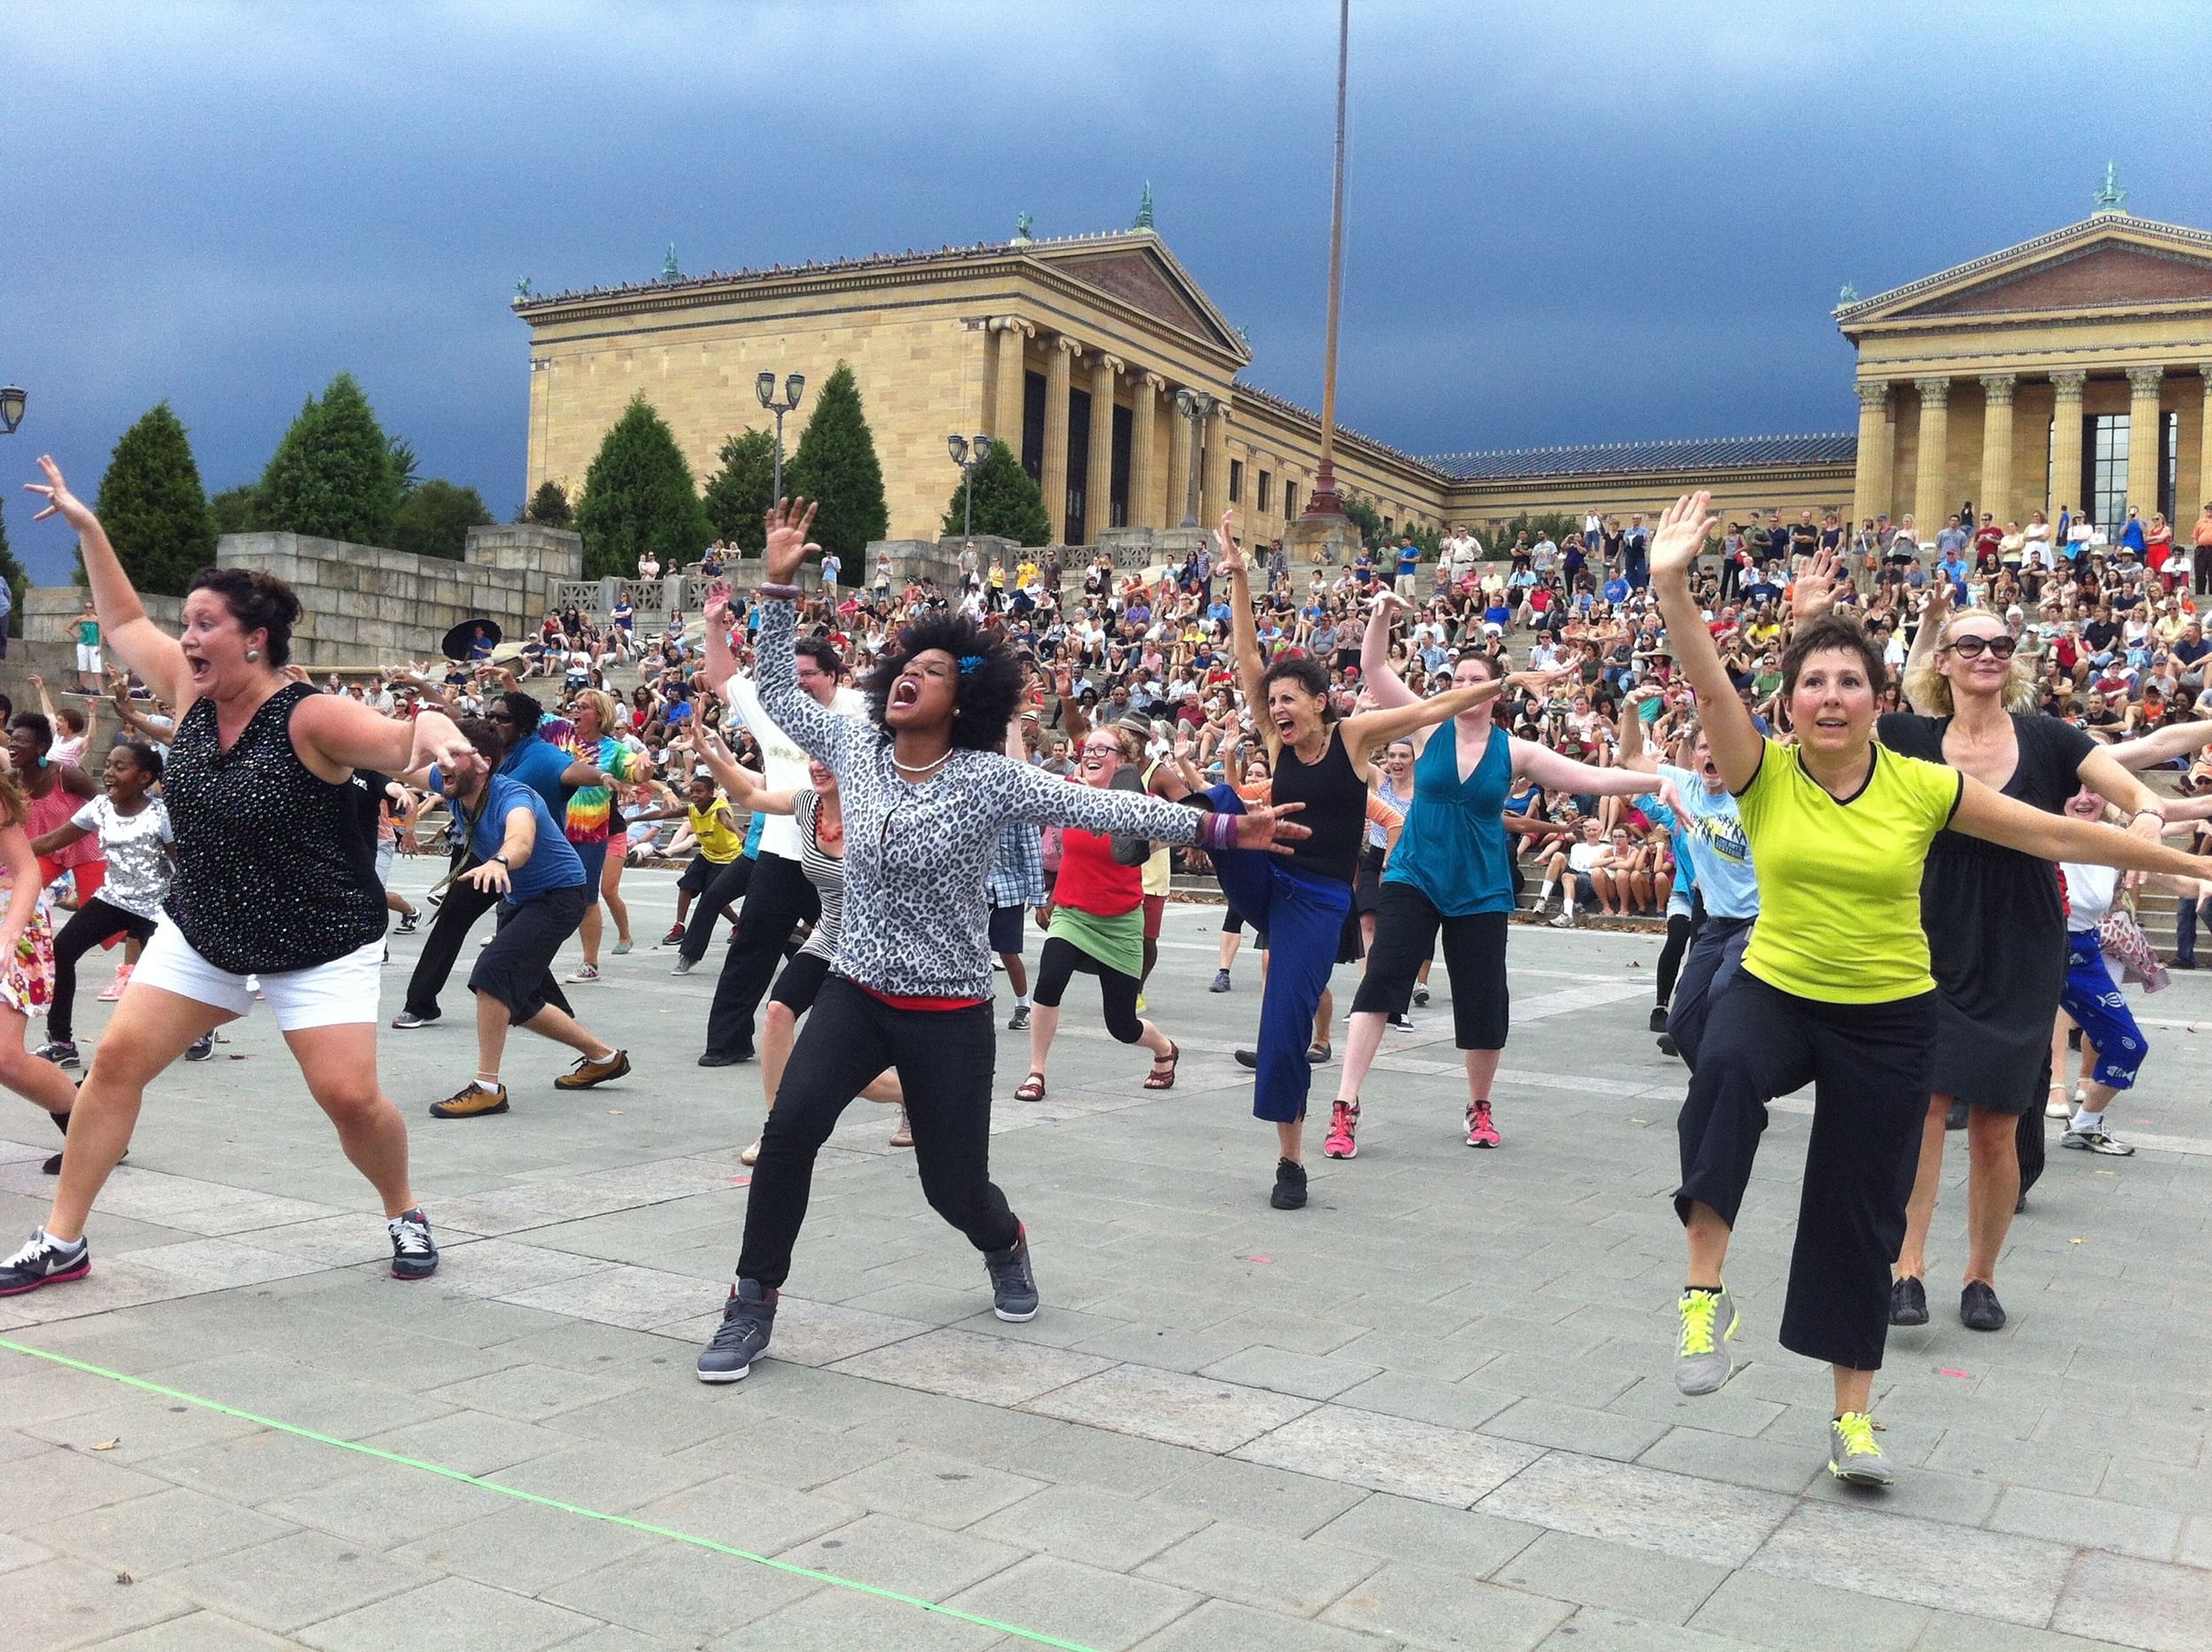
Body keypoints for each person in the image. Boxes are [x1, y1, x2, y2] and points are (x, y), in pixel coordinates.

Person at [1647, 492, 2212, 1491]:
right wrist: (1669, 583)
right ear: (1787, 705)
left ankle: (1851, 1422)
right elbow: (1704, 685)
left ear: (1877, 701)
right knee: (1724, 1064)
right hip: (1777, 987)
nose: (1829, 696)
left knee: (1860, 1207)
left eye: (1848, 682)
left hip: (1890, 1014)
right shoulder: (1758, 770)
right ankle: (1702, 1294)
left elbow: (2053, 833)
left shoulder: (1919, 783)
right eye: (1811, 682)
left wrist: (2191, 868)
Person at [693, 500, 1306, 1383]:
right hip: (856, 991)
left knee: (952, 1189)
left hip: (948, 1012)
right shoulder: (856, 747)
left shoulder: (986, 780)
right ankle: (752, 1299)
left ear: (964, 699)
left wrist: (1219, 830)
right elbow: (783, 693)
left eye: (934, 672)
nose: (908, 677)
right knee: (790, 1129)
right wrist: (779, 581)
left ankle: (1004, 1238)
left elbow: (1103, 805)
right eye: (907, 665)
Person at [2, 456, 474, 1298]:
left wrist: (437, 728)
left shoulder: (310, 714)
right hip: (207, 927)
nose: (185, 639)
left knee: (349, 1099)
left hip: (317, 937)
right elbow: (116, 617)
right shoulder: (189, 693)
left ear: (253, 638)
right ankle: (61, 1239)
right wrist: (89, 525)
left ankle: (403, 1206)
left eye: (203, 624)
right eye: (184, 623)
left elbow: (406, 737)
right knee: (112, 1064)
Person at [1863, 573, 2201, 1334]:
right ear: (1943, 661)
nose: (1988, 654)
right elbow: (1822, 729)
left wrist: (2146, 816)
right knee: (1922, 1110)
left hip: (2021, 944)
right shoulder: (1910, 736)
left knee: (1996, 1122)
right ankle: (1906, 1268)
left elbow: (2134, 788)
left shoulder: (2049, 737)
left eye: (2001, 645)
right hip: (1929, 938)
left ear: (2012, 661)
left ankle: (1980, 1277)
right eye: (1971, 643)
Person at [1204, 516, 1517, 1209]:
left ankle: (1290, 1162)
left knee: (1283, 1023)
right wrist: (1236, 575)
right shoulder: (1278, 742)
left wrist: (1504, 682)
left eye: (1289, 699)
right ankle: (1173, 822)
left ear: (1318, 702)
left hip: (1317, 901)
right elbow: (1248, 657)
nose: (1277, 707)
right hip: (1267, 874)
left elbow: (1435, 703)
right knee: (1218, 796)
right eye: (1272, 701)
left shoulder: (1352, 735)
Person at [1326, 593, 1647, 1158]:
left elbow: (1591, 782)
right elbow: (1375, 669)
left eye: (1478, 678)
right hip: (1415, 874)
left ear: (1495, 690)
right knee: (1382, 982)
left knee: (1483, 999)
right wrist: (1379, 616)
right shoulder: (1427, 730)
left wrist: (1659, 784)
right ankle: (1346, 1107)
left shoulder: (1516, 750)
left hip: (1479, 888)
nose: (1467, 686)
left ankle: (1479, 1106)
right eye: (1460, 677)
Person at [685, 723, 907, 1165]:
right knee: (777, 1011)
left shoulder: (884, 815)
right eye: (814, 756)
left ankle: (915, 1094)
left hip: (874, 950)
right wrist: (712, 756)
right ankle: (777, 1129)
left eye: (830, 757)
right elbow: (750, 797)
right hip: (828, 937)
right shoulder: (807, 806)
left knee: (843, 1068)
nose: (818, 765)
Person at [425, 718, 631, 1118]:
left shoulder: (514, 796)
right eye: (441, 756)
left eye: (452, 756)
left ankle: (488, 1086)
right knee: (519, 1000)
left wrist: (501, 859)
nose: (442, 763)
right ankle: (605, 1058)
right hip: (524, 898)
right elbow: (396, 765)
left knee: (492, 973)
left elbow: (520, 838)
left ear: (482, 763)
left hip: (560, 895)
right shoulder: (450, 780)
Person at [697, 617, 864, 1065]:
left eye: (809, 674)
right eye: (794, 676)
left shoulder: (862, 711)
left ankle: (861, 1042)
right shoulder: (777, 707)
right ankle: (726, 1042)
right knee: (752, 946)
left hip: (846, 857)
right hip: (781, 853)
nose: (800, 684)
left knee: (860, 952)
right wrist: (714, 625)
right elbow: (722, 679)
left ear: (833, 674)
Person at [393, 690, 600, 1029]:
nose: (494, 722)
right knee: (455, 919)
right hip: (487, 858)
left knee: (511, 945)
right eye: (490, 716)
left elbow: (522, 833)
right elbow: (399, 764)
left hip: (537, 872)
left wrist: (607, 778)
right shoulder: (464, 764)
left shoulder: (537, 759)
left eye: (503, 718)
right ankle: (420, 1003)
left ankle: (557, 1019)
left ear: (521, 727)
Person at [1013, 724, 1182, 1104]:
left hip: (1121, 921)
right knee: (1050, 978)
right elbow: (1020, 775)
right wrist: (1011, 719)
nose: (1090, 754)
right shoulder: (1070, 795)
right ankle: (1036, 1071)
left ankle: (1164, 1048)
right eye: (1087, 748)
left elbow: (1190, 825)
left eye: (1102, 750)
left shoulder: (1141, 806)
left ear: (1123, 762)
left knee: (1121, 1025)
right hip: (1072, 914)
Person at [28, 743, 177, 1078]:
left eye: (120, 767)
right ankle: (62, 1043)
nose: (109, 773)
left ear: (144, 778)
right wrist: (12, 849)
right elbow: (53, 840)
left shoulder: (161, 815)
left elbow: (182, 863)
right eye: (108, 765)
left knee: (171, 976)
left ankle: (199, 1031)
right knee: (62, 952)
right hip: (112, 900)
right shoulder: (99, 808)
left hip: (158, 906)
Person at [556, 689, 655, 984]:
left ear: (599, 715)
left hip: (590, 835)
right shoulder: (563, 737)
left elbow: (637, 773)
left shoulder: (614, 750)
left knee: (587, 899)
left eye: (583, 707)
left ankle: (590, 963)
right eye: (574, 706)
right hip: (555, 829)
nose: (575, 711)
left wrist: (644, 766)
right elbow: (531, 720)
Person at [74, 601, 103, 695]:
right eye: (86, 607)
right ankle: (83, 687)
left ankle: (99, 689)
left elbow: (101, 633)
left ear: (93, 609)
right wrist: (76, 635)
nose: (88, 609)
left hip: (94, 645)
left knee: (96, 667)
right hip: (83, 644)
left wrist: (100, 646)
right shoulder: (80, 619)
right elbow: (68, 628)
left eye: (90, 608)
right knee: (82, 666)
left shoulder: (97, 619)